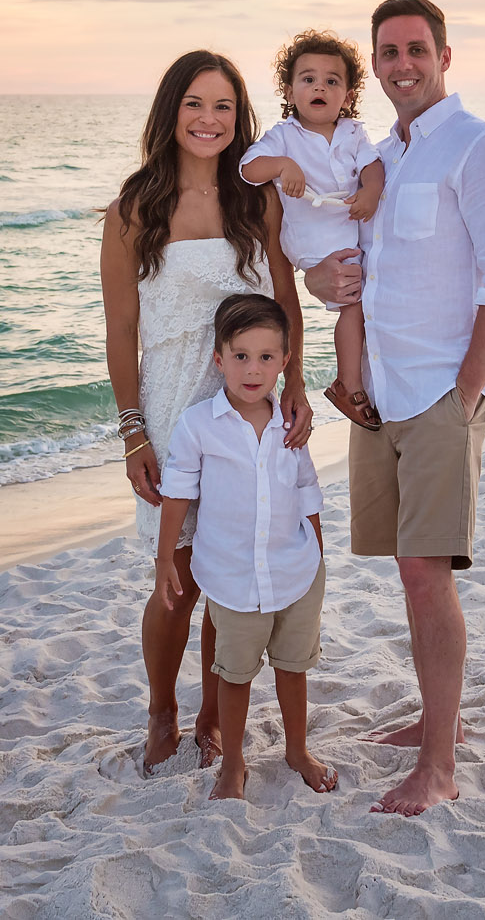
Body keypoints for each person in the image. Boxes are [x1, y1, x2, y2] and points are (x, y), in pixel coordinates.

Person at [303, 0, 485, 816]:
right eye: (389, 52)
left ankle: (439, 763)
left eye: (416, 49)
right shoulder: (385, 159)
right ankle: (445, 720)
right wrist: (316, 282)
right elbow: (344, 262)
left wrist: (461, 395)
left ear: (445, 55)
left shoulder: (483, 148)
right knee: (411, 574)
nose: (402, 64)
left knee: (424, 573)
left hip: (440, 393)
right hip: (380, 396)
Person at [101, 50, 312, 774]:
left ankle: (211, 715)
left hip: (247, 403)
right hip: (170, 406)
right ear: (171, 111)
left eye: (223, 106)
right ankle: (161, 709)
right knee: (178, 580)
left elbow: (285, 302)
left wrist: (297, 384)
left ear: (239, 117)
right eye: (195, 103)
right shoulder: (134, 209)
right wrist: (133, 432)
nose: (209, 119)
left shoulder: (258, 199)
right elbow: (121, 330)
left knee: (231, 574)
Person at [153, 293, 339, 801]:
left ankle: (297, 750)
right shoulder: (198, 426)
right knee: (233, 676)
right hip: (232, 577)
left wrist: (317, 552)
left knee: (293, 666)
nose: (252, 370)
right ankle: (232, 763)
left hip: (295, 568)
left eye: (265, 358)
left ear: (284, 362)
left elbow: (307, 488)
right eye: (240, 356)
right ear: (219, 360)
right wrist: (165, 557)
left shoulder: (289, 423)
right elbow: (177, 493)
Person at [238, 30, 387, 430]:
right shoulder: (284, 136)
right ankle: (348, 383)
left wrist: (371, 191)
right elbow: (248, 168)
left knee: (362, 304)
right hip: (307, 237)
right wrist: (283, 166)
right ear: (289, 89)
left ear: (348, 94)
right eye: (308, 79)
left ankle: (356, 379)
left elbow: (373, 166)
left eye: (331, 80)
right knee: (355, 305)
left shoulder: (353, 133)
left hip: (344, 233)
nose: (319, 86)